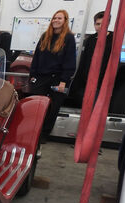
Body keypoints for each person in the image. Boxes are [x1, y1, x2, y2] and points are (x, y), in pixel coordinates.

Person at [29, 9, 76, 139]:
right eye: (54, 18)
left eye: (59, 18)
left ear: (65, 21)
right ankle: (33, 133)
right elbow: (37, 56)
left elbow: (70, 60)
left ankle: (44, 135)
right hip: (41, 77)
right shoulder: (45, 35)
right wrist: (32, 75)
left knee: (53, 108)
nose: (56, 20)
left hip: (58, 79)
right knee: (37, 107)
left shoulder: (69, 38)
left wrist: (64, 81)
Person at [69, 11, 113, 104]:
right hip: (88, 80)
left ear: (108, 24)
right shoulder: (90, 40)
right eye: (97, 24)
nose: (100, 26)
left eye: (103, 24)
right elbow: (84, 61)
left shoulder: (113, 38)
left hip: (102, 81)